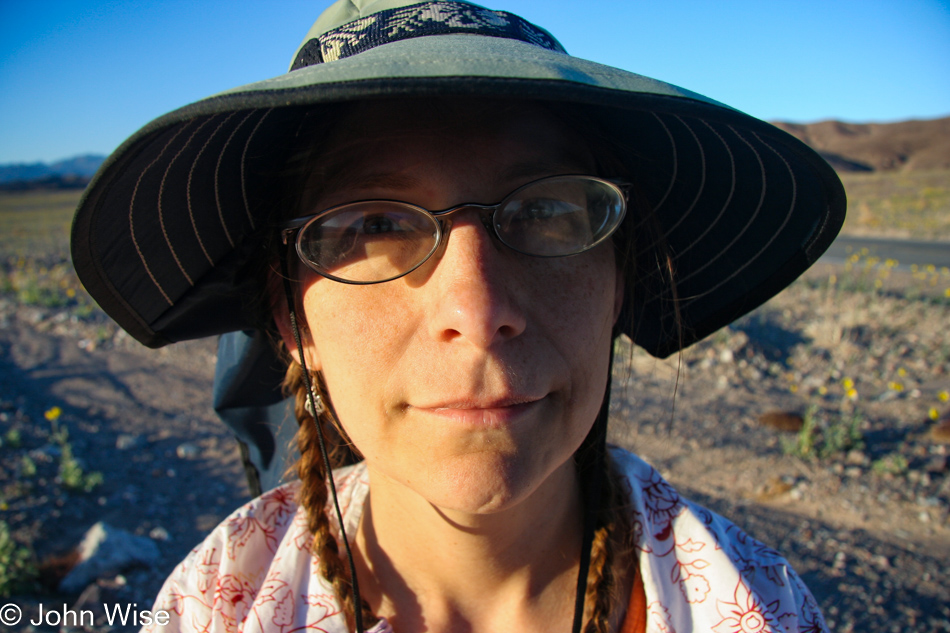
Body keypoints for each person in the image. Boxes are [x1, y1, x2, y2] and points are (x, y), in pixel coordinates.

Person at [71, 1, 845, 631]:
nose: (478, 311)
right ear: (291, 319)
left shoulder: (754, 607)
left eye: (546, 210)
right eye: (375, 225)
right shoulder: (212, 606)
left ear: (618, 282)